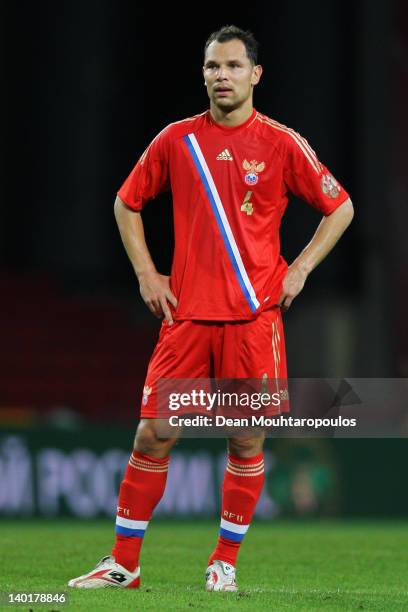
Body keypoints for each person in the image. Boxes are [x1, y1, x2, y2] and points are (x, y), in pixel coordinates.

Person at [68, 24, 353, 592]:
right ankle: (124, 565)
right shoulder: (178, 140)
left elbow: (339, 206)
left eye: (231, 66)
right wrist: (148, 273)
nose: (220, 76)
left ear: (255, 75)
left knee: (245, 441)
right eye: (212, 67)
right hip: (189, 319)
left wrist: (299, 268)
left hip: (253, 320)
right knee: (153, 434)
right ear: (203, 75)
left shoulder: (280, 143)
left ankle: (223, 563)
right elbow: (127, 204)